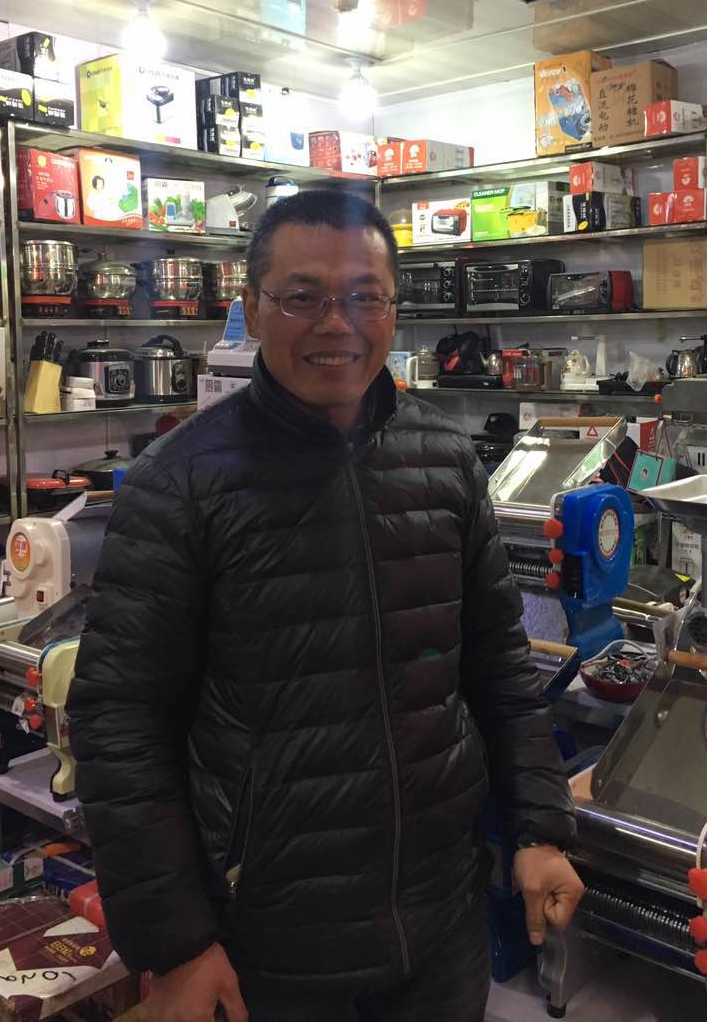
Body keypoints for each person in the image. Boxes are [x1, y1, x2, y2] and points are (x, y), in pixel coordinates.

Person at [67, 190, 581, 1022]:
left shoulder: (446, 460)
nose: (337, 324)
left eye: (365, 297)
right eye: (303, 297)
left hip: (442, 927)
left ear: (393, 310)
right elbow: (118, 722)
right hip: (269, 945)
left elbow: (500, 666)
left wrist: (540, 828)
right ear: (251, 309)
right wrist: (178, 944)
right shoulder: (180, 483)